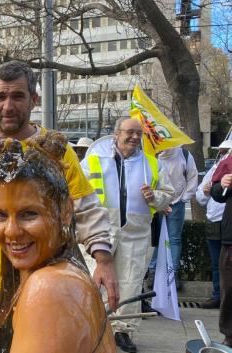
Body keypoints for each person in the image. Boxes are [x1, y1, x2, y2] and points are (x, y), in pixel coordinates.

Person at [0, 60, 118, 330]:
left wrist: (104, 260)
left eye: (17, 96)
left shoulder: (57, 149)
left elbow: (84, 208)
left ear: (34, 99)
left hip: (44, 283)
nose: (7, 106)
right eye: (0, 97)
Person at [0, 135, 116, 353]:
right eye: (0, 215)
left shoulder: (47, 288)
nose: (11, 231)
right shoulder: (59, 273)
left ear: (66, 211)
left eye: (29, 214)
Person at [81, 117, 173, 353]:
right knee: (96, 281)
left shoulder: (151, 164)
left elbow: (168, 195)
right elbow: (78, 193)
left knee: (131, 282)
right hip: (102, 230)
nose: (134, 137)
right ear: (116, 134)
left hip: (136, 231)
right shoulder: (93, 160)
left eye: (138, 134)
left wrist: (154, 197)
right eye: (129, 132)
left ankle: (123, 331)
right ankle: (95, 328)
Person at [146, 146, 198, 290]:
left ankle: (173, 274)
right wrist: (159, 202)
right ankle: (152, 271)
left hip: (177, 203)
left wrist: (183, 199)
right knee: (155, 239)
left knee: (174, 239)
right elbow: (148, 179)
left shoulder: (185, 155)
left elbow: (192, 177)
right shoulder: (151, 155)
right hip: (156, 202)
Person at [195, 141, 232, 309]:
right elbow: (201, 197)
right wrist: (207, 190)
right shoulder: (217, 168)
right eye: (221, 150)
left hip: (225, 220)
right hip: (214, 221)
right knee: (218, 263)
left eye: (226, 150)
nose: (223, 153)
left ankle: (223, 296)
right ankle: (218, 295)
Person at [210, 148, 232, 348]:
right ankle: (230, 336)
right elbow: (216, 193)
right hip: (231, 237)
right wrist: (222, 185)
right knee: (230, 289)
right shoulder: (230, 160)